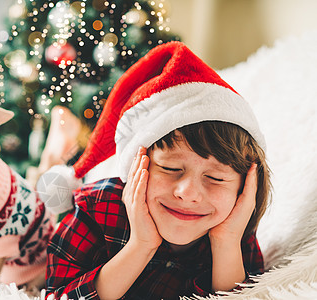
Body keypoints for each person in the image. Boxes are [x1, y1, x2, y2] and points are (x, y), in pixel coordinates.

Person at [42, 41, 271, 299]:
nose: (188, 193)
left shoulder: (234, 228)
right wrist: (141, 246)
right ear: (136, 164)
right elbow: (58, 295)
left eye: (216, 178)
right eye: (171, 168)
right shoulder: (95, 209)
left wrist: (226, 243)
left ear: (244, 189)